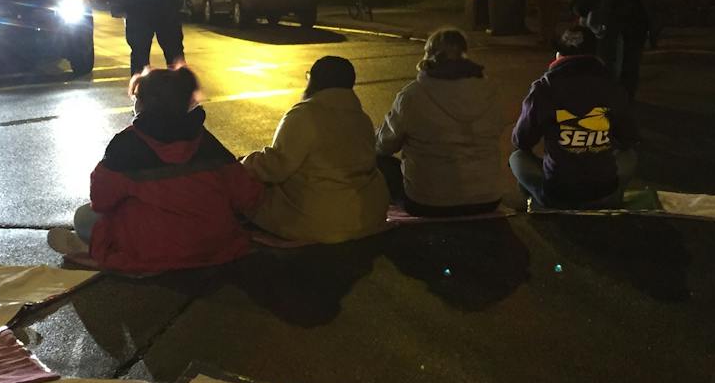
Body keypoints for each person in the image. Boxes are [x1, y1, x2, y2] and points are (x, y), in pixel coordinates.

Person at [47, 67, 263, 272]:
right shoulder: (206, 140)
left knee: (84, 216)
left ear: (142, 103)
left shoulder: (126, 145)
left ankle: (103, 249)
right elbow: (246, 195)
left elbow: (101, 199)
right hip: (214, 244)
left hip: (153, 247)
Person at [243, 55, 390, 243]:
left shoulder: (304, 115)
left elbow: (275, 167)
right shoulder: (362, 119)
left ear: (313, 80)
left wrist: (244, 162)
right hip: (368, 216)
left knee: (251, 186)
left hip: (319, 220)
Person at [375, 27, 508, 216]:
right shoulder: (490, 91)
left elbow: (384, 145)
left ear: (428, 55)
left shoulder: (413, 95)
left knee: (380, 161)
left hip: (429, 202)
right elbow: (498, 126)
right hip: (488, 199)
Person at [509, 27, 639, 209]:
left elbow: (521, 140)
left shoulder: (543, 89)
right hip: (603, 192)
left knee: (518, 157)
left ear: (558, 55)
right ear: (595, 55)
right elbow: (629, 137)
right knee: (629, 155)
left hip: (559, 193)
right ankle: (612, 198)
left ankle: (539, 203)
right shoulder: (612, 86)